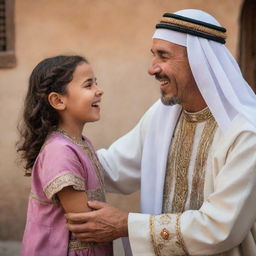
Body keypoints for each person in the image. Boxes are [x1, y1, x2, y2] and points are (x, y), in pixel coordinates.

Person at [66, 9, 256, 256]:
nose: (152, 68)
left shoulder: (245, 133)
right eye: (153, 56)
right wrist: (61, 151)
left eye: (163, 56)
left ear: (199, 62)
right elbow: (114, 167)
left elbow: (220, 227)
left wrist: (126, 225)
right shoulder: (163, 114)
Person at [17, 55, 113, 256]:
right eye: (88, 85)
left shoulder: (81, 143)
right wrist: (140, 226)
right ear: (58, 100)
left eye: (96, 82)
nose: (99, 90)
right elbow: (87, 223)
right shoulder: (59, 151)